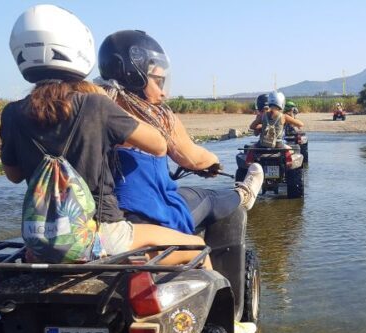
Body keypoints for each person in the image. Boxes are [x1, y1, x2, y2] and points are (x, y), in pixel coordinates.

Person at [0, 5, 208, 267]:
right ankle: (228, 309)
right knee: (198, 247)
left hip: (40, 242)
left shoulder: (12, 113)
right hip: (102, 233)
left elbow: (14, 175)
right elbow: (158, 146)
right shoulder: (94, 105)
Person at [96, 30, 264, 233]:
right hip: (150, 216)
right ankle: (244, 194)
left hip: (98, 220)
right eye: (157, 81)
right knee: (208, 197)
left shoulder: (91, 109)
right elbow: (193, 158)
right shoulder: (157, 118)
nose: (163, 91)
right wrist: (212, 161)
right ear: (135, 76)